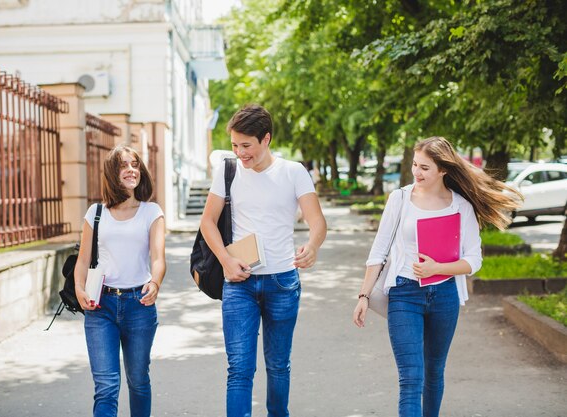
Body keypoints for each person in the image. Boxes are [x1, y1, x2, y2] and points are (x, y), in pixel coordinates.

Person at [352, 137, 521, 417]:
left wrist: (438, 268)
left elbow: (473, 260)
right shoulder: (400, 199)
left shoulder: (460, 206)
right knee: (410, 378)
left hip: (444, 296)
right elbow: (378, 252)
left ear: (443, 170)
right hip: (404, 293)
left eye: (425, 168)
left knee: (434, 372)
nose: (417, 173)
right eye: (415, 165)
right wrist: (363, 296)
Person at [200, 104, 327, 417]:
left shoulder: (293, 172)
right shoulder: (228, 171)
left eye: (247, 146)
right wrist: (227, 260)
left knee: (278, 366)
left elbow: (318, 222)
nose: (241, 153)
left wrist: (312, 246)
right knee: (239, 369)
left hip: (282, 281)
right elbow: (207, 222)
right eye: (235, 145)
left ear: (266, 139)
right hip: (239, 281)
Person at [74, 145, 166, 417]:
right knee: (106, 385)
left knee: (138, 381)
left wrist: (156, 283)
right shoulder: (96, 213)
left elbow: (158, 258)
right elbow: (82, 260)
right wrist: (79, 289)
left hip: (139, 304)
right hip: (100, 305)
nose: (130, 170)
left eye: (135, 164)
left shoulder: (152, 212)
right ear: (112, 173)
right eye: (123, 165)